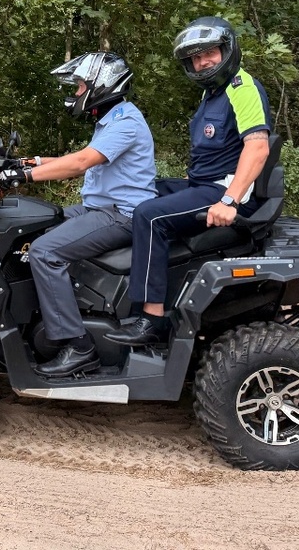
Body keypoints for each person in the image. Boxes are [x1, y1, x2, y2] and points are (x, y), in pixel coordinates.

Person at [106, 17, 272, 347]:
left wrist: (230, 201)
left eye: (209, 53)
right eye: (195, 58)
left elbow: (257, 147)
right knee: (142, 193)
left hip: (223, 190)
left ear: (228, 50)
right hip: (205, 184)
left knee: (149, 216)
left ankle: (151, 319)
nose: (202, 62)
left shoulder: (243, 88)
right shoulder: (213, 94)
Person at [0, 52, 157, 377]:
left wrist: (23, 178)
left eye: (82, 86)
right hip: (99, 209)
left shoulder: (126, 122)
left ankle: (77, 346)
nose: (78, 92)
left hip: (121, 216)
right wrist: (33, 162)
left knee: (44, 252)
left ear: (102, 86)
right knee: (34, 229)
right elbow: (80, 156)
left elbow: (81, 163)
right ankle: (44, 314)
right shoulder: (112, 119)